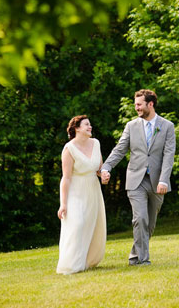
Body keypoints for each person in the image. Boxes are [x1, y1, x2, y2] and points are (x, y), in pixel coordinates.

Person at [100, 89, 176, 265]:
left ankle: (135, 255)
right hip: (136, 180)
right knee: (140, 218)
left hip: (157, 182)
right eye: (135, 105)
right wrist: (107, 167)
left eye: (139, 104)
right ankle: (142, 260)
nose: (137, 108)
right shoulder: (131, 126)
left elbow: (169, 155)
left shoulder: (167, 126)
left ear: (150, 104)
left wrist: (164, 179)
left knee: (149, 224)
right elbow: (120, 149)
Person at [56, 115, 106, 274]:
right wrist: (63, 204)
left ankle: (86, 261)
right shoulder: (69, 148)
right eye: (86, 124)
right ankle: (70, 265)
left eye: (90, 124)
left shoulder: (96, 143)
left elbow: (99, 169)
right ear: (76, 128)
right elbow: (66, 177)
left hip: (92, 190)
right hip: (75, 191)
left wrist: (103, 175)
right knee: (77, 223)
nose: (90, 127)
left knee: (91, 225)